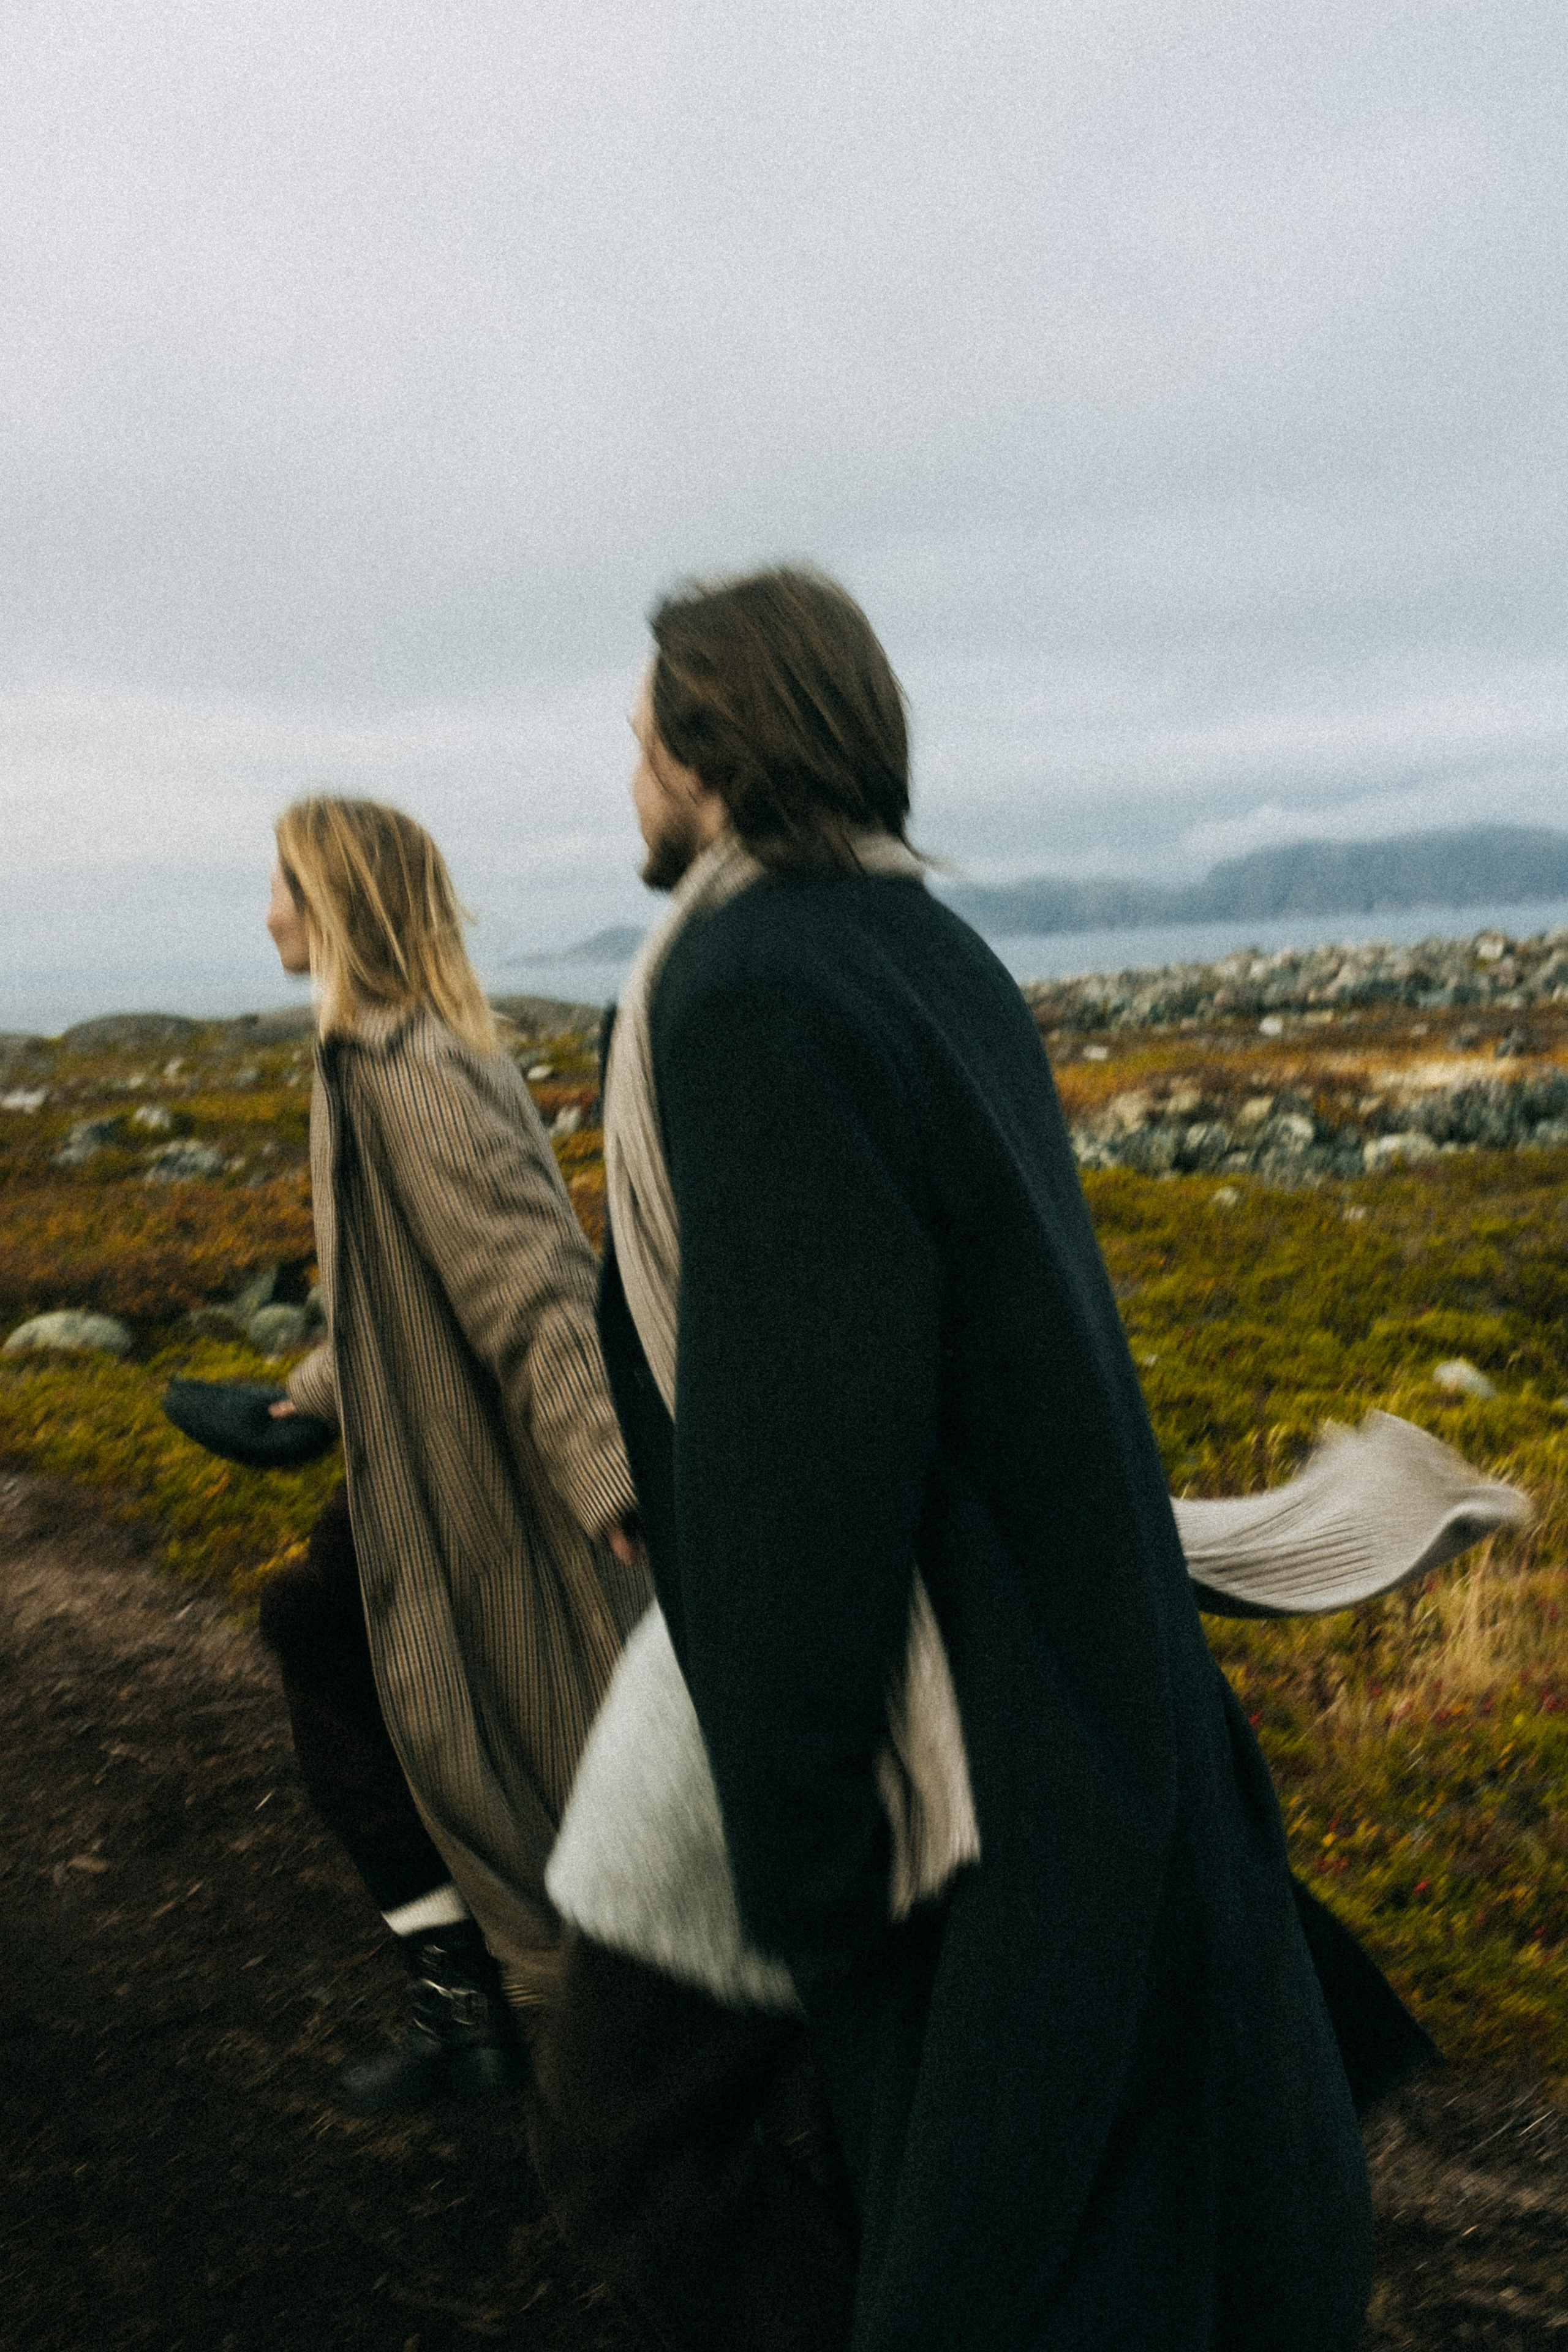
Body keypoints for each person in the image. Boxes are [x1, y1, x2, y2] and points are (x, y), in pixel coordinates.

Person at [535, 568, 1376, 2351]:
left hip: (951, 1748)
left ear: (712, 750)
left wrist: (809, 1856)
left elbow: (807, 1450)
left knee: (813, 2200)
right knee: (1056, 2216)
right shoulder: (931, 952)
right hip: (1079, 1699)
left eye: (641, 741)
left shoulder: (747, 988)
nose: (626, 777)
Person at [258, 796, 648, 2101]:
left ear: (336, 904)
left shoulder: (408, 1068)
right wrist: (311, 1395)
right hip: (424, 1467)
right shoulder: (374, 1058)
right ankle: (467, 1991)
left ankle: (569, 2038)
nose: (267, 913)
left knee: (537, 1746)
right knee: (321, 1630)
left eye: (284, 886)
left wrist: (609, 1479)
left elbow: (535, 1286)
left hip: (485, 1487)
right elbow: (403, 1289)